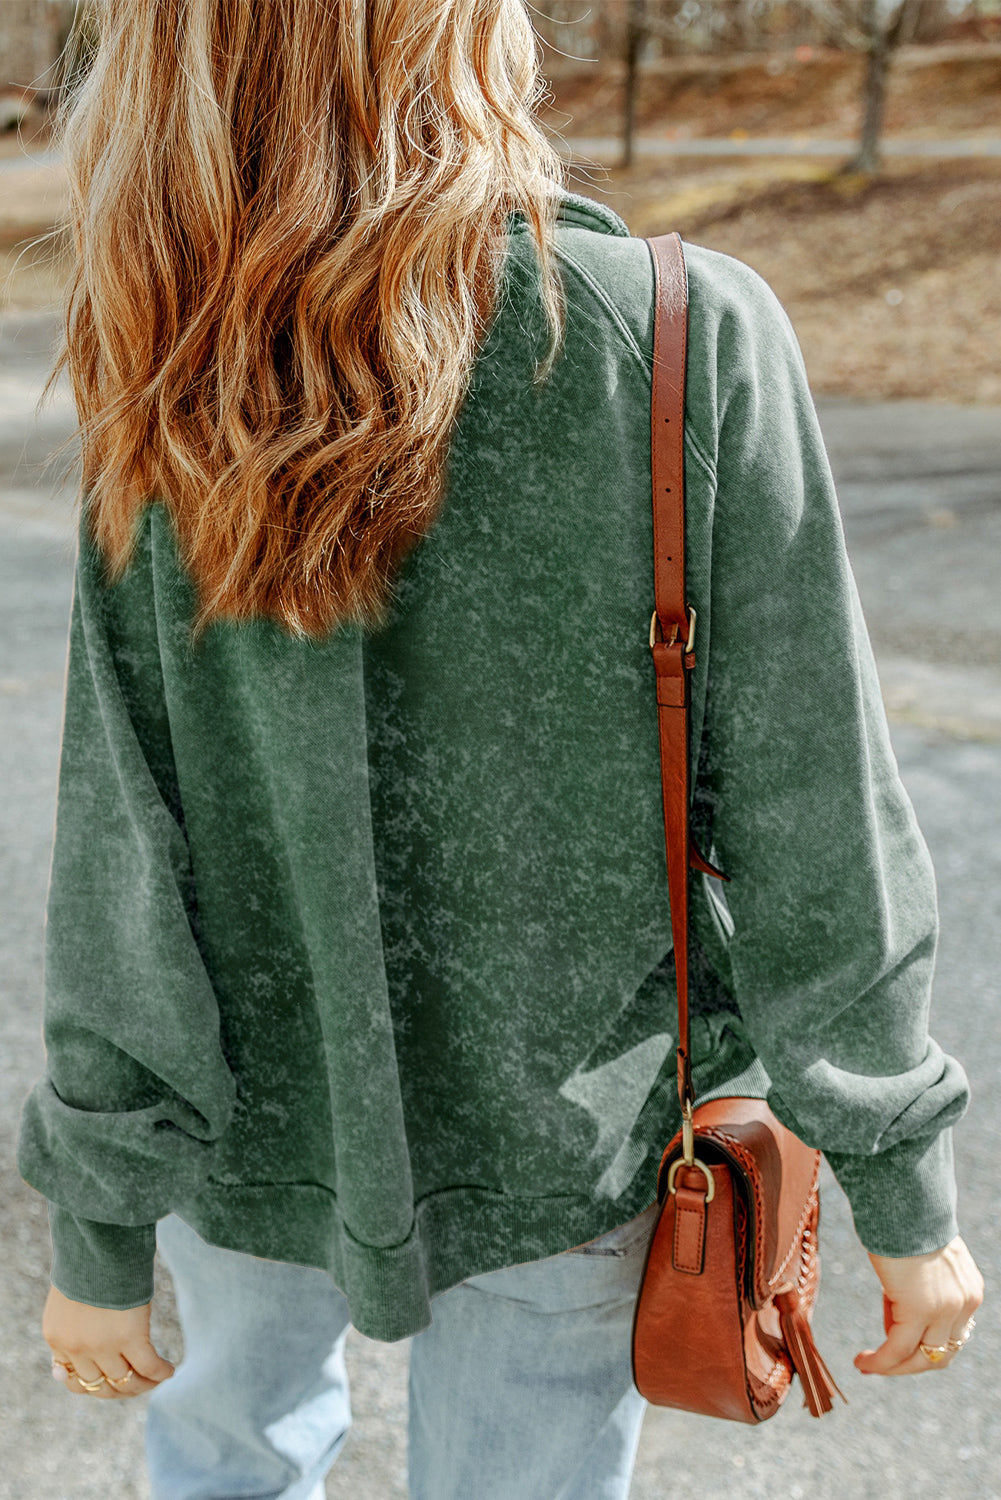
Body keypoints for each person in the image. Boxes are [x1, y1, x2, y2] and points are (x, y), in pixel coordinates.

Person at [16, 2, 983, 1497]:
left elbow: (124, 849)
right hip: (569, 1132)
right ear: (457, 40)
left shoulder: (172, 375)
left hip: (246, 1133)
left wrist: (100, 1220)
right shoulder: (674, 331)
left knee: (223, 1465)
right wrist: (898, 1186)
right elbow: (811, 808)